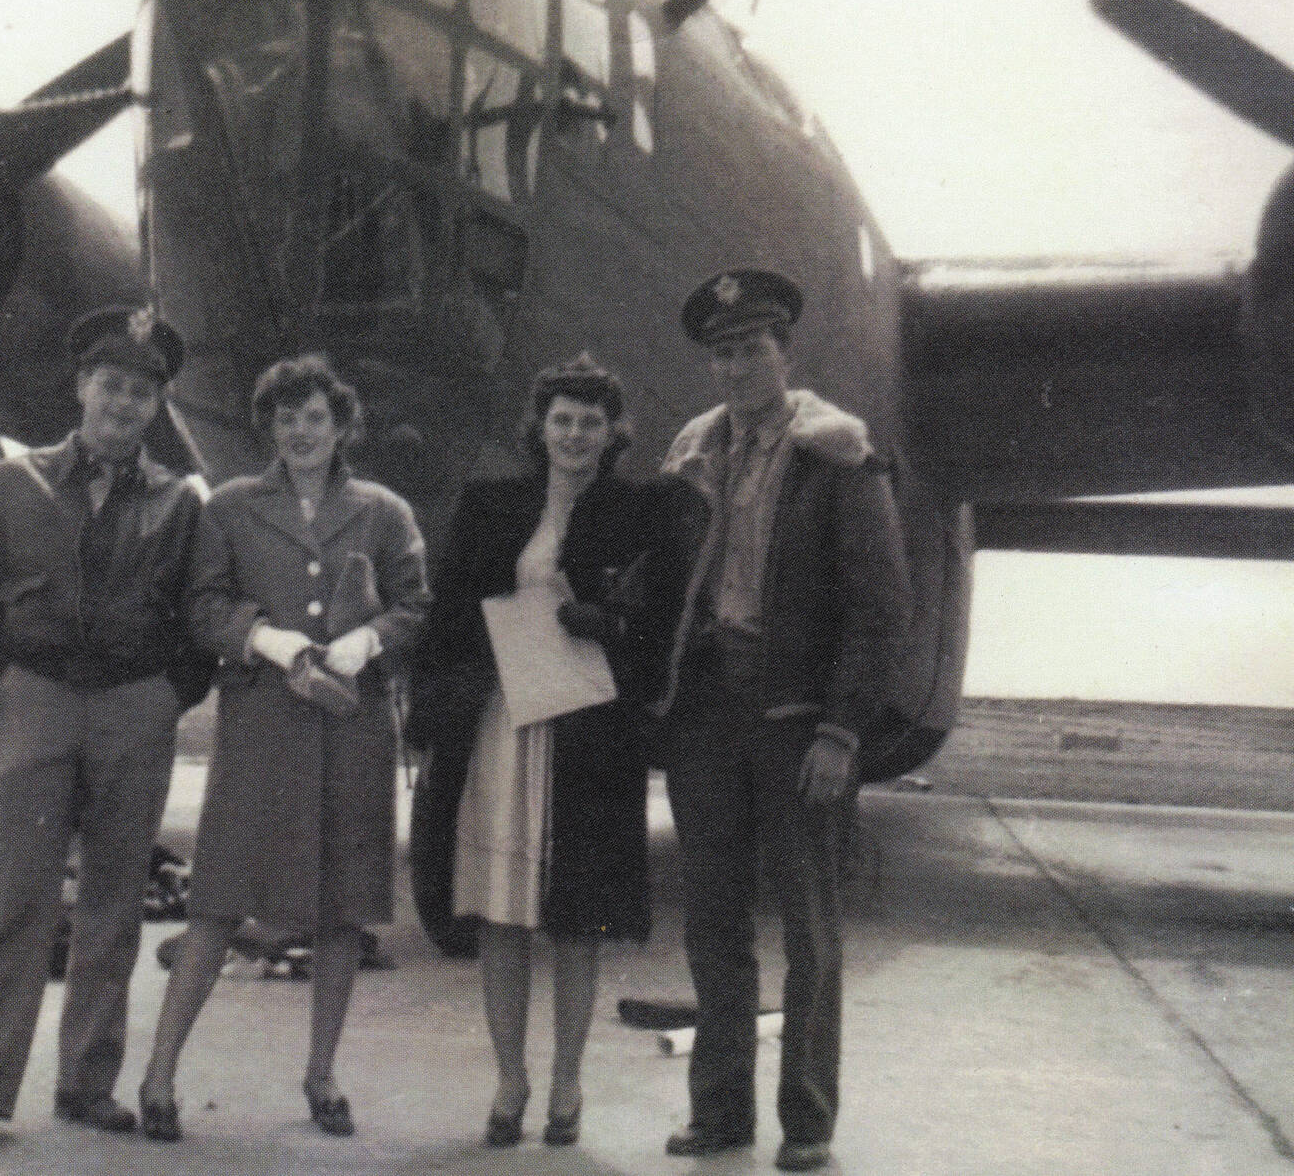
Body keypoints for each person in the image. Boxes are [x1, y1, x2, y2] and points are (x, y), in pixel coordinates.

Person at [0, 305, 215, 1158]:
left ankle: (87, 1081)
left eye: (141, 389)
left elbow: (198, 619)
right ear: (82, 386)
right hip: (35, 699)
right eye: (111, 383)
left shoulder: (180, 503)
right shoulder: (18, 483)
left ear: (158, 403)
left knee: (115, 905)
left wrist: (170, 695)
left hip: (133, 706)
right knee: (13, 901)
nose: (123, 402)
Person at [135, 353, 429, 1141]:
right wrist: (261, 636)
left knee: (340, 913)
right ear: (270, 427)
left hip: (353, 730)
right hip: (263, 725)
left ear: (342, 427)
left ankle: (321, 1074)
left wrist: (370, 640)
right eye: (287, 418)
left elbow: (414, 607)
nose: (302, 432)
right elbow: (202, 604)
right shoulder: (229, 508)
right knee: (218, 901)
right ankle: (159, 1074)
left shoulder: (385, 511)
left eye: (316, 418)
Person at [655, 270, 911, 1173]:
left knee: (810, 927)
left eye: (752, 349)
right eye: (722, 352)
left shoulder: (837, 456)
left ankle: (806, 1121)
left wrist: (843, 731)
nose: (736, 367)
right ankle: (720, 1113)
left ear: (783, 354)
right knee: (713, 924)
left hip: (795, 719)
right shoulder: (690, 457)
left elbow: (880, 608)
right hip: (705, 721)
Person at [413, 354, 702, 1149]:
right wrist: (440, 706)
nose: (575, 434)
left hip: (588, 732)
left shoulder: (640, 510)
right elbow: (448, 612)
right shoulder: (489, 503)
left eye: (590, 421)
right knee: (502, 917)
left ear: (613, 434)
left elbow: (662, 624)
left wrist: (603, 622)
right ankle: (511, 1081)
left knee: (579, 920)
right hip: (502, 723)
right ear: (539, 428)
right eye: (562, 419)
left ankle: (569, 1084)